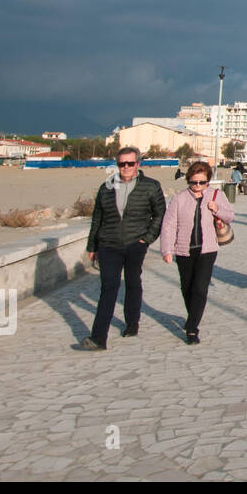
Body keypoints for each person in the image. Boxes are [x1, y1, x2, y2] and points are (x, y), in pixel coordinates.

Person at [80, 146, 166, 350]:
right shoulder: (106, 187)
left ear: (138, 164)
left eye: (130, 163)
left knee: (133, 281)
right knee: (108, 288)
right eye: (121, 164)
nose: (126, 167)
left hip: (136, 243)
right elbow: (97, 218)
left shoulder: (151, 186)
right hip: (109, 244)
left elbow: (160, 214)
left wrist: (146, 239)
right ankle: (99, 337)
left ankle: (132, 321)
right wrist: (92, 245)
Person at [160, 161, 234, 345]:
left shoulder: (217, 195)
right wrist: (167, 249)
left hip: (207, 250)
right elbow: (169, 225)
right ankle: (193, 315)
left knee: (200, 288)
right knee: (187, 288)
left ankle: (192, 328)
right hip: (184, 250)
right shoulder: (179, 198)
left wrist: (217, 209)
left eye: (202, 182)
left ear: (208, 181)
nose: (198, 186)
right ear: (188, 181)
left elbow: (230, 216)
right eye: (194, 182)